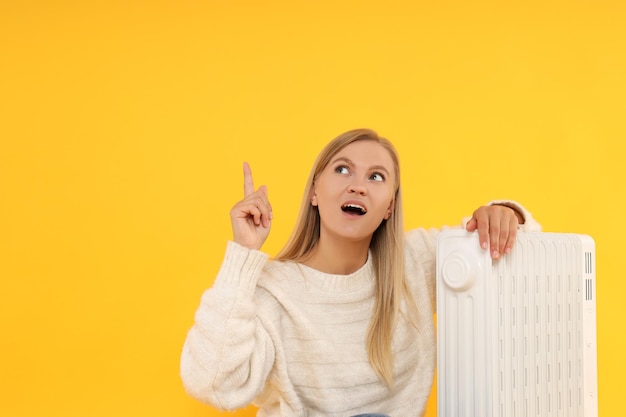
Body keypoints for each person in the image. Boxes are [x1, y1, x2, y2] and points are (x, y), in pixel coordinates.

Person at [180, 128, 541, 416]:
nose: (358, 185)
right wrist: (243, 253)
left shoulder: (414, 262)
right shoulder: (274, 290)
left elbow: (527, 252)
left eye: (376, 177)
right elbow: (209, 383)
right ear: (315, 193)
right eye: (342, 169)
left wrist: (505, 215)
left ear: (389, 207)